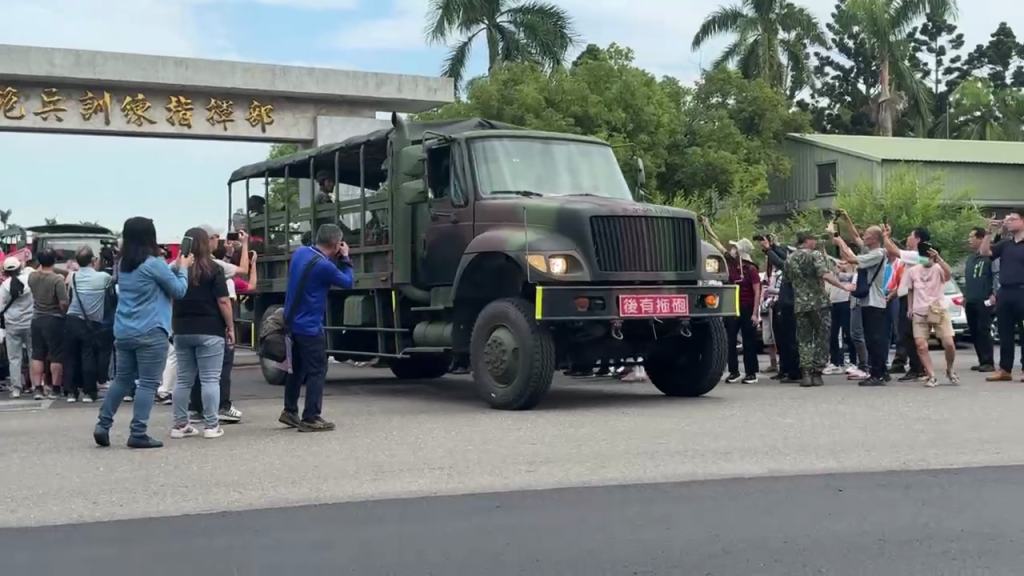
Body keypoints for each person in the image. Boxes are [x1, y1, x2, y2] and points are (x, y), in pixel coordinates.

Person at [94, 217, 190, 449]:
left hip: (124, 330)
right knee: (147, 383)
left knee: (121, 380)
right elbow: (178, 290)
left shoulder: (125, 264)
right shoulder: (153, 263)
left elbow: (152, 277)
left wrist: (173, 267)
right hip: (151, 330)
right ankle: (138, 432)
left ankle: (103, 424)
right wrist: (183, 269)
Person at [279, 223, 353, 432]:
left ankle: (290, 410)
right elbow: (348, 283)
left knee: (297, 369)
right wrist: (345, 258)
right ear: (337, 244)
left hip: (293, 322)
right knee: (317, 370)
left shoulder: (300, 253)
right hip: (310, 326)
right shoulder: (324, 266)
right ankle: (311, 416)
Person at [764, 230, 851, 387]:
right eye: (813, 239)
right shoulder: (815, 255)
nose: (815, 242)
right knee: (822, 337)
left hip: (801, 304)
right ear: (807, 240)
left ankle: (805, 373)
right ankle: (817, 372)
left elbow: (788, 279)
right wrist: (843, 286)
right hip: (819, 303)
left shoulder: (791, 259)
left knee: (804, 340)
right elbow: (825, 274)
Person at [170, 227, 231, 440]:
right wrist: (230, 327)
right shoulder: (214, 269)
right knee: (210, 379)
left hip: (182, 329)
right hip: (210, 329)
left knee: (184, 379)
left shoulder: (177, 268)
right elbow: (223, 301)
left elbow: (170, 298)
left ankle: (180, 425)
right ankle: (211, 425)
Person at [699, 218, 761, 384]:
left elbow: (757, 291)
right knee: (730, 340)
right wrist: (707, 226)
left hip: (747, 307)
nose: (732, 249)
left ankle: (751, 373)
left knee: (748, 341)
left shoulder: (751, 269)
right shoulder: (731, 264)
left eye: (735, 247)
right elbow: (718, 244)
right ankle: (733, 371)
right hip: (732, 307)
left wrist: (755, 313)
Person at [833, 225, 888, 386]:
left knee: (873, 340)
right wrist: (846, 221)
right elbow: (856, 237)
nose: (864, 237)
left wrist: (840, 242)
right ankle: (881, 371)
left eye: (868, 235)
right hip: (868, 302)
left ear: (875, 239)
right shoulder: (871, 253)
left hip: (874, 303)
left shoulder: (877, 254)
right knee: (872, 339)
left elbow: (851, 259)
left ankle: (877, 374)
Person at [900, 245, 957, 386]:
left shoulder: (938, 268)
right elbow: (910, 289)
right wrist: (910, 307)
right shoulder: (913, 271)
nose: (926, 260)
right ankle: (931, 375)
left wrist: (939, 260)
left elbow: (948, 274)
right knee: (921, 345)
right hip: (920, 311)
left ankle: (950, 369)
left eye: (930, 257)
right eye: (923, 257)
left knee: (949, 343)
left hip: (938, 309)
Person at [64, 246, 113, 403]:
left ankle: (71, 392)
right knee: (88, 356)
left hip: (72, 319)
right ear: (93, 260)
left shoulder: (73, 277)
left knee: (71, 357)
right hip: (92, 322)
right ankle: (89, 392)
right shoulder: (103, 277)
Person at [980, 209, 1024, 381]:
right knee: (1004, 332)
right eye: (1007, 220)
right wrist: (988, 232)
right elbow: (985, 252)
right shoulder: (1005, 244)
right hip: (1005, 291)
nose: (1008, 222)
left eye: (1012, 219)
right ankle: (1005, 369)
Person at [882, 225, 926, 381]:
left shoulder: (916, 255)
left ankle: (918, 368)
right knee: (907, 334)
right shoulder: (915, 256)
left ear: (918, 239)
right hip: (905, 298)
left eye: (910, 235)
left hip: (911, 300)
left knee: (909, 334)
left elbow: (893, 251)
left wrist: (886, 236)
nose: (907, 238)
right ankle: (917, 368)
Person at [28, 249, 68, 400]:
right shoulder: (57, 280)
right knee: (56, 355)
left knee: (37, 354)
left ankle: (38, 388)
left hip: (36, 318)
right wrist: (65, 313)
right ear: (54, 261)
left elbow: (41, 269)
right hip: (54, 319)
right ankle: (56, 388)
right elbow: (63, 303)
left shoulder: (32, 277)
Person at [963, 227, 996, 372]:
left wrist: (994, 293)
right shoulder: (971, 258)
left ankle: (988, 361)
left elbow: (996, 276)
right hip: (971, 299)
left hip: (985, 299)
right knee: (974, 330)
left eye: (972, 237)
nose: (969, 240)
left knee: (983, 329)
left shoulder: (990, 256)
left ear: (981, 239)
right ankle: (981, 360)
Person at [1, 257, 32, 399]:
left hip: (12, 325)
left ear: (5, 271)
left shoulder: (4, 286)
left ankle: (16, 388)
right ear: (20, 268)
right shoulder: (29, 280)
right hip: (30, 322)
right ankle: (36, 385)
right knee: (34, 355)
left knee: (14, 358)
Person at [824, 260, 856, 374]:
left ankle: (854, 362)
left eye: (844, 263)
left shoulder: (851, 275)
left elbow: (846, 274)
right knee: (833, 334)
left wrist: (847, 267)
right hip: (834, 303)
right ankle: (835, 362)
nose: (841, 266)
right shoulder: (834, 274)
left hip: (846, 303)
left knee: (849, 333)